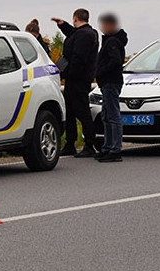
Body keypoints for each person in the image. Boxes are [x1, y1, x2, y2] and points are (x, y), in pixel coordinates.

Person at [51, 9, 99, 157]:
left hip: (78, 79)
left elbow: (78, 59)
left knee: (82, 112)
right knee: (70, 112)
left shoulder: (85, 35)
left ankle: (89, 144)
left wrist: (65, 74)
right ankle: (70, 144)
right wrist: (62, 25)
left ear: (75, 18)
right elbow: (74, 34)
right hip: (76, 79)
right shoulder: (85, 33)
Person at [95, 13, 127, 163]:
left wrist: (101, 71)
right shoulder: (110, 40)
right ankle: (107, 147)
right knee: (106, 116)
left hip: (110, 82)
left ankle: (115, 149)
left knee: (113, 116)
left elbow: (115, 61)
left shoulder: (113, 42)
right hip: (107, 83)